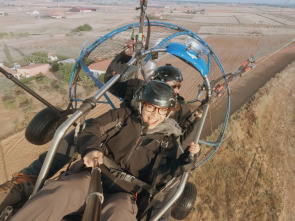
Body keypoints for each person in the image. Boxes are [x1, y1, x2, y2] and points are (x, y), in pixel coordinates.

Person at [0, 41, 201, 214]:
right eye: (163, 85)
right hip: (118, 137)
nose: (169, 90)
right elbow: (112, 79)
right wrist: (125, 56)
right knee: (77, 136)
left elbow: (181, 147)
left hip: (146, 156)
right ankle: (31, 177)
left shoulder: (182, 112)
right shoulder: (134, 93)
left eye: (174, 87)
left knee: (167, 189)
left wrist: (189, 153)